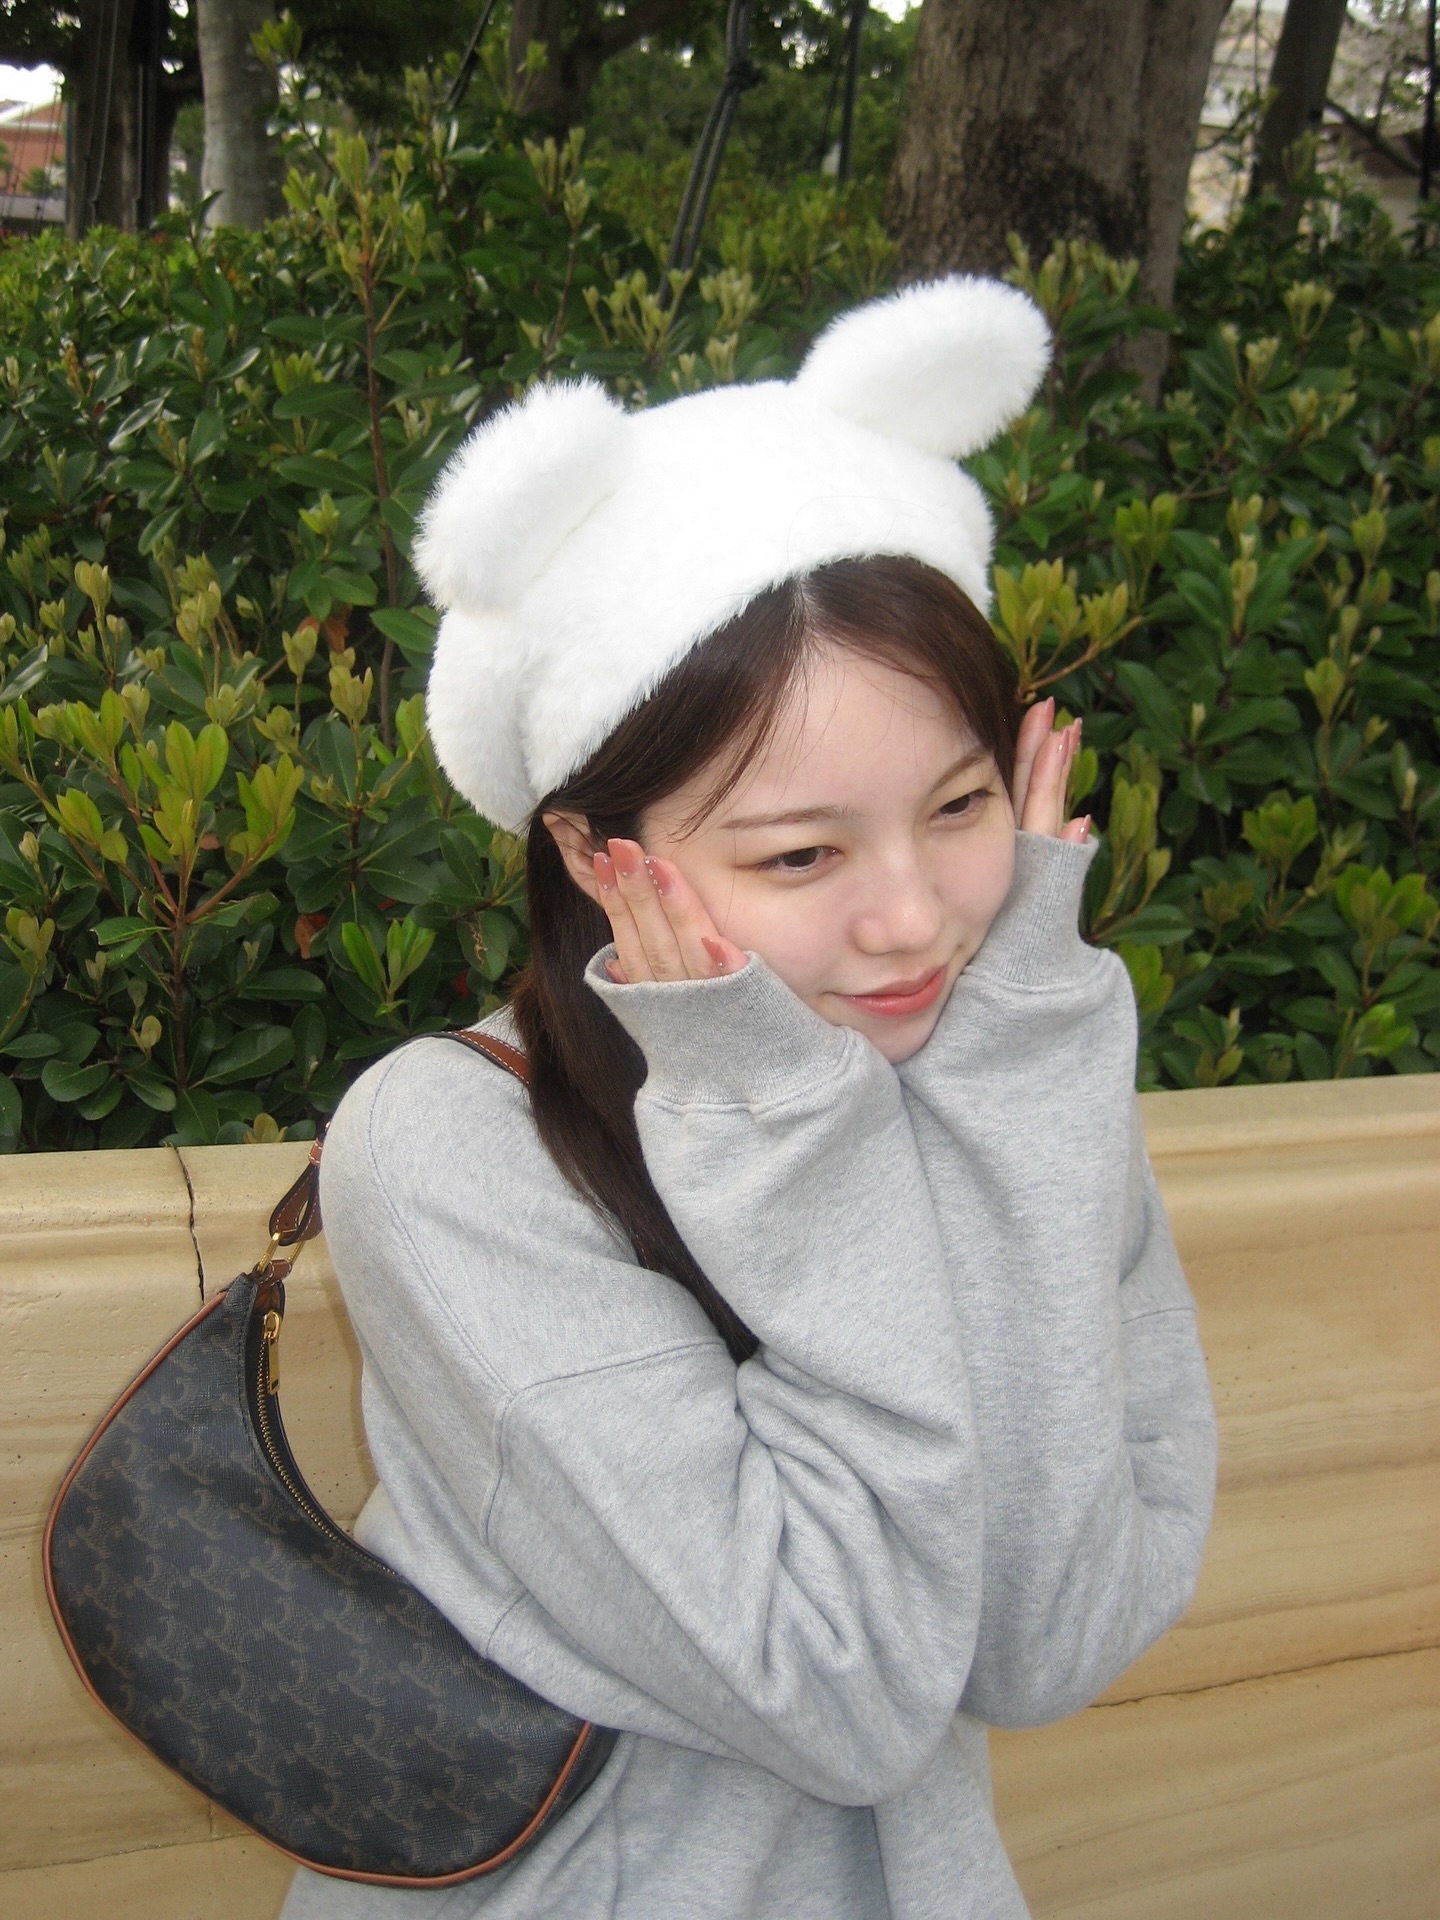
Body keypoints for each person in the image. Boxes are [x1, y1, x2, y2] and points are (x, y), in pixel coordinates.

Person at [280, 277, 1218, 1919]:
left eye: (960, 806)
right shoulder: (448, 1153)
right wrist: (782, 1130)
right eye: (800, 855)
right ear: (595, 854)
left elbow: (1046, 1642)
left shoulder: (994, 1074)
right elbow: (845, 1693)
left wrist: (1022, 1076)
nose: (913, 920)